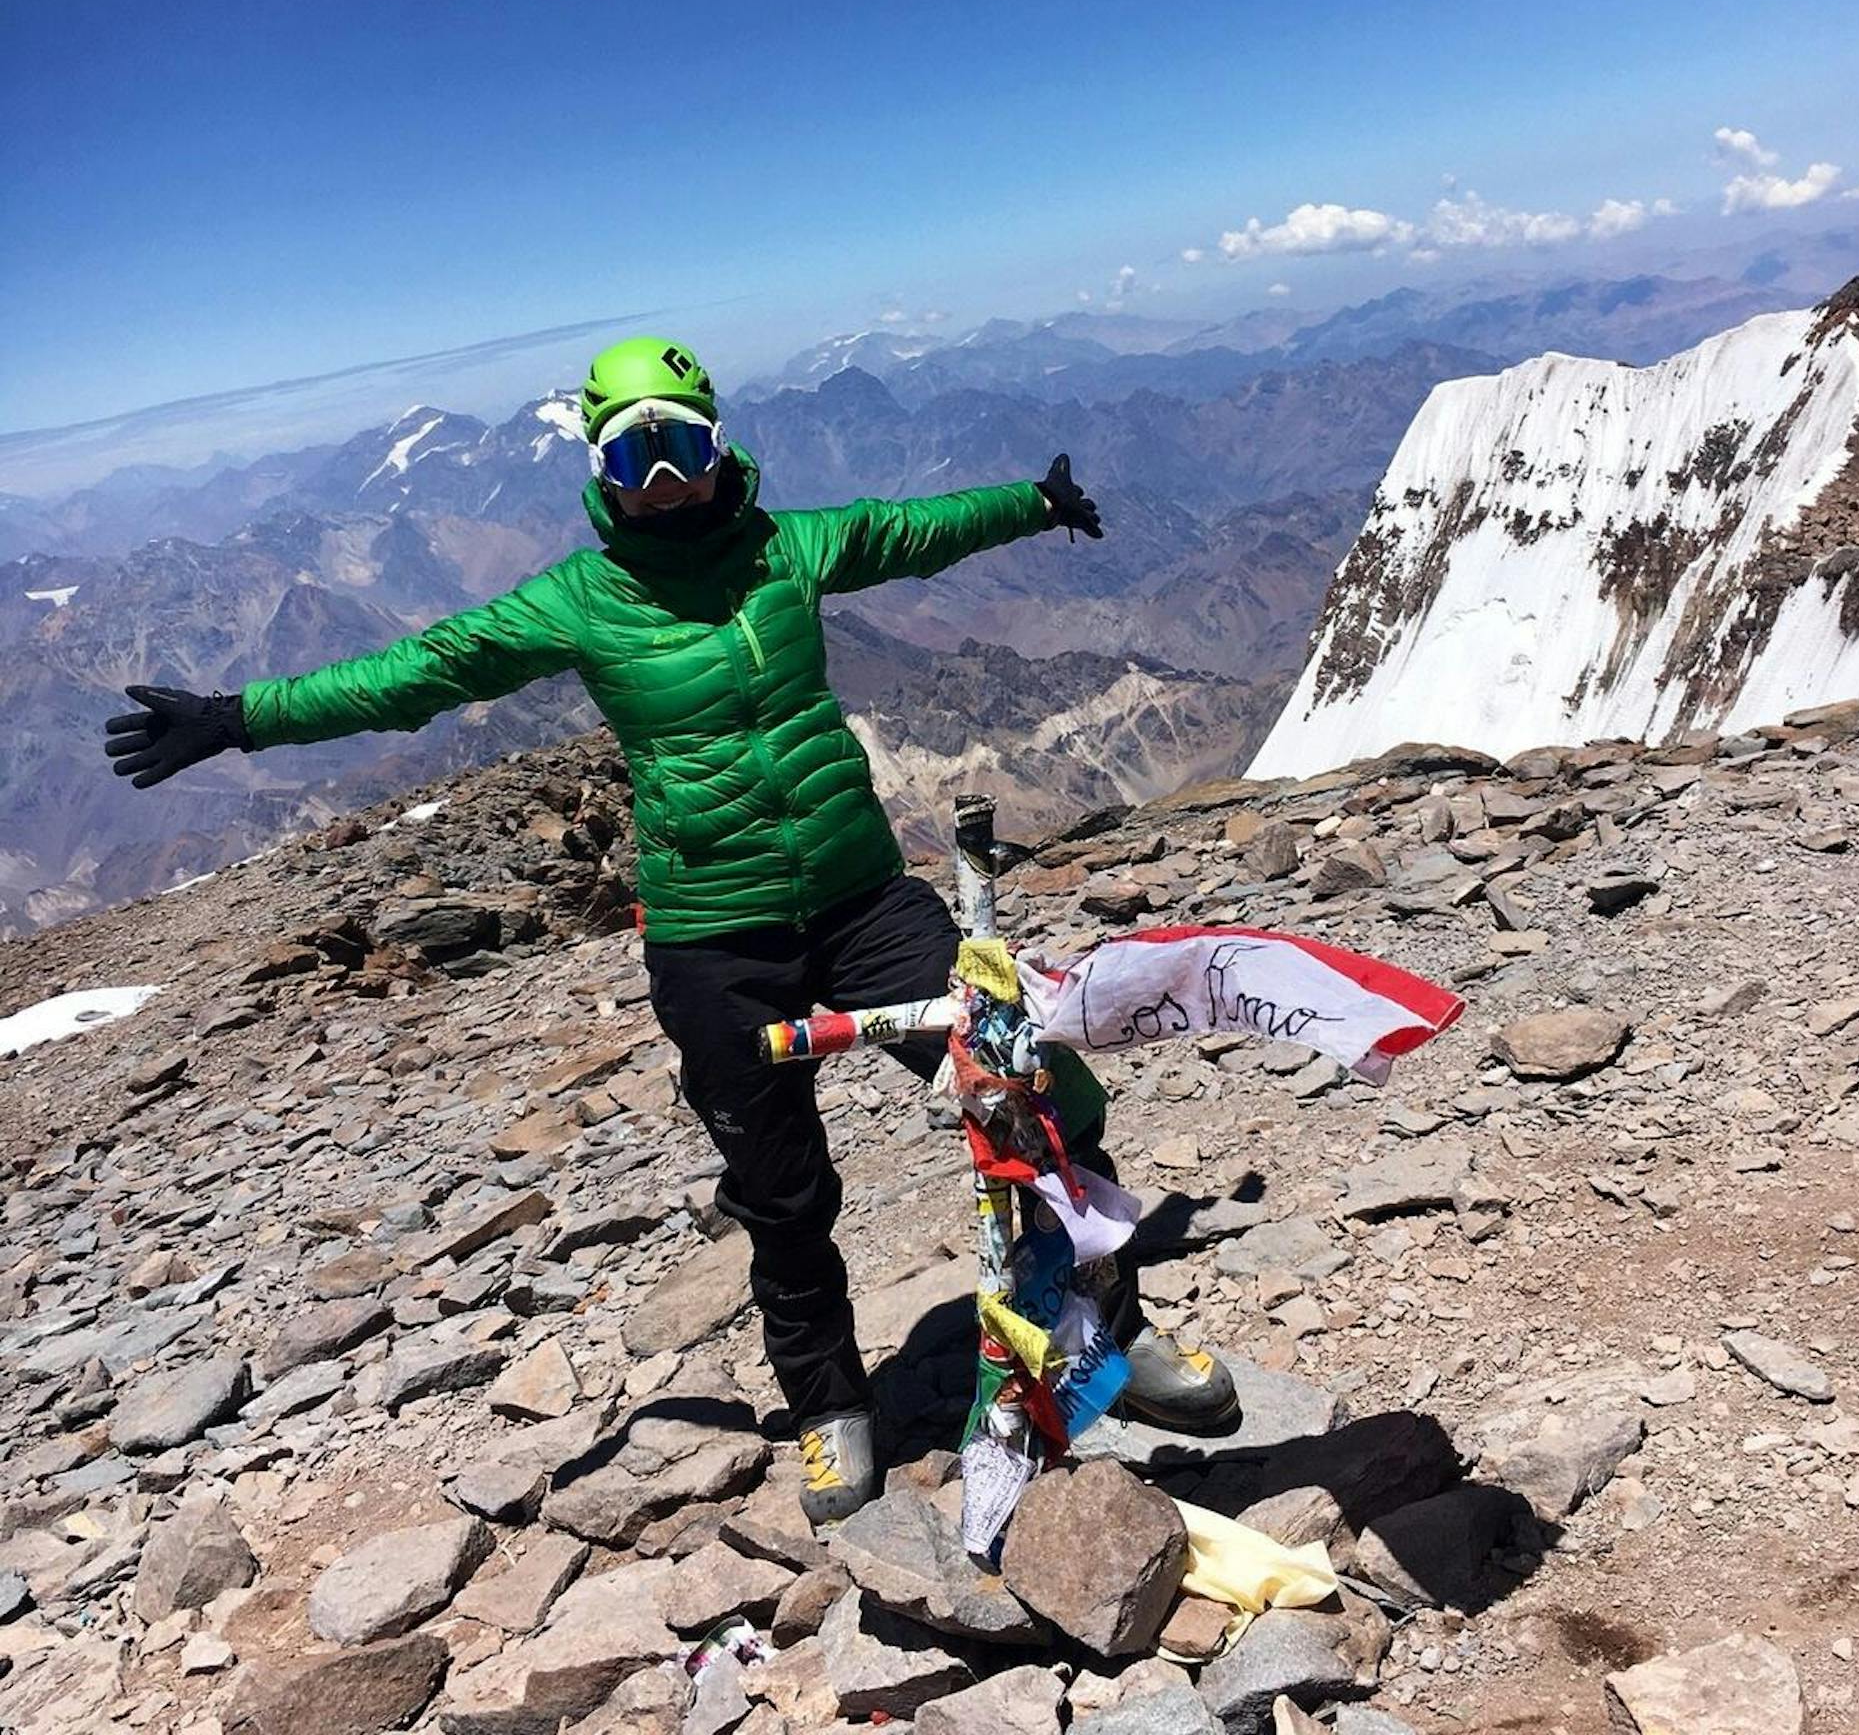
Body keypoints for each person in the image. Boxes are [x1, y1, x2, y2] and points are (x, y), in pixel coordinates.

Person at [103, 335, 1237, 1520]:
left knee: (1033, 1095)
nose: (663, 479)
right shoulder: (578, 602)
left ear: (719, 440)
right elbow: (415, 672)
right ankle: (829, 1405)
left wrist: (1032, 504)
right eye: (632, 454)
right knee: (780, 1188)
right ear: (597, 468)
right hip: (714, 940)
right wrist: (240, 716)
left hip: (862, 899)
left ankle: (1106, 1335)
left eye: (680, 444)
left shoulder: (786, 547)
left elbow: (911, 527)